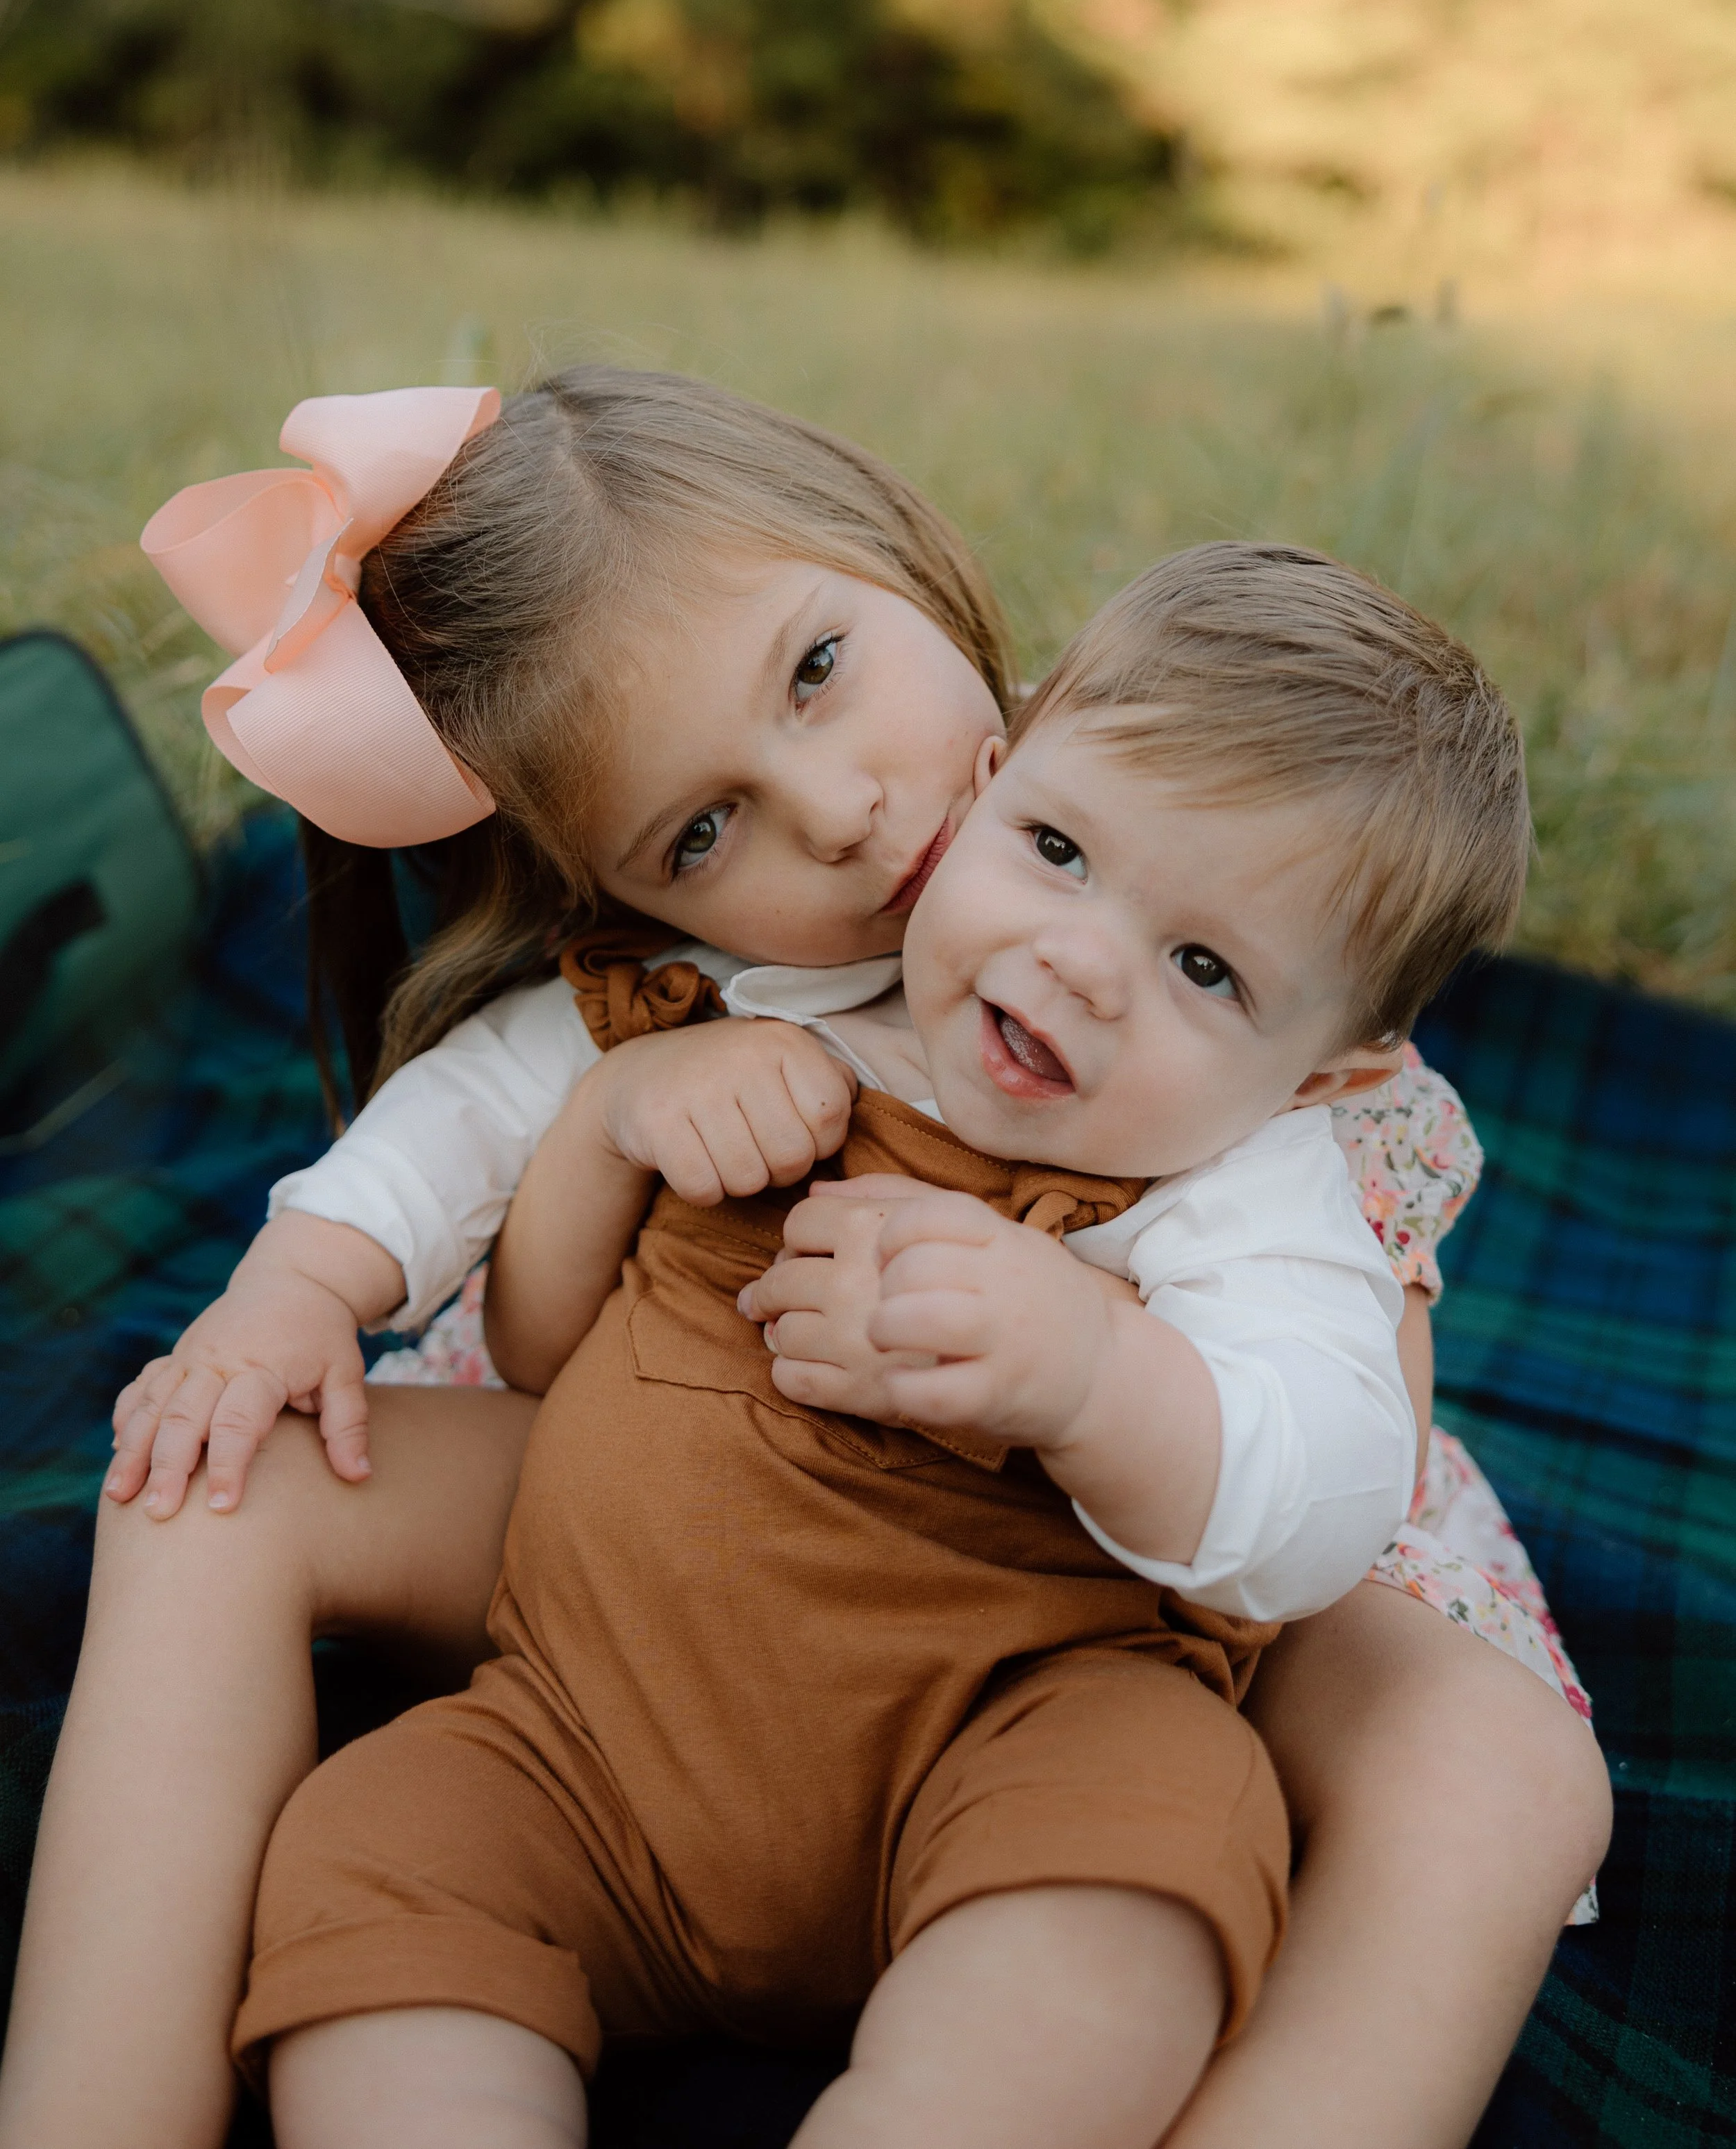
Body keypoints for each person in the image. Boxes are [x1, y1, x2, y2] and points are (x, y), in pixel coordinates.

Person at [0, 374, 1610, 2149]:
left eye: (818, 669)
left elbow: (1307, 1500)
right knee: (203, 1478)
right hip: (664, 1528)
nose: (840, 815)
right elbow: (489, 1202)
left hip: (1093, 1583)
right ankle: (96, 2106)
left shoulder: (1193, 908)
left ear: (894, 553)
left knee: (1494, 1773)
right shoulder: (695, 986)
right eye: (703, 830)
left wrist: (1077, 1361)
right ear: (629, 887)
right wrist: (321, 1281)